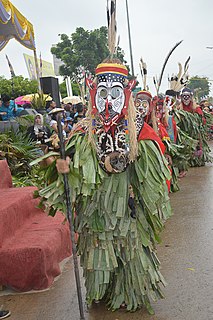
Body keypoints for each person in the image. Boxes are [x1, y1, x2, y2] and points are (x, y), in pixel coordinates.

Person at [37, 59, 172, 314]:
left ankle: (129, 291)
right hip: (95, 210)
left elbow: (154, 178)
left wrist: (149, 205)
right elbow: (68, 165)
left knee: (130, 252)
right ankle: (103, 290)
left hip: (128, 210)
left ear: (126, 93)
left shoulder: (139, 132)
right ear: (92, 93)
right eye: (102, 93)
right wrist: (62, 166)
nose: (108, 101)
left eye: (115, 93)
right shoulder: (83, 131)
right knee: (99, 253)